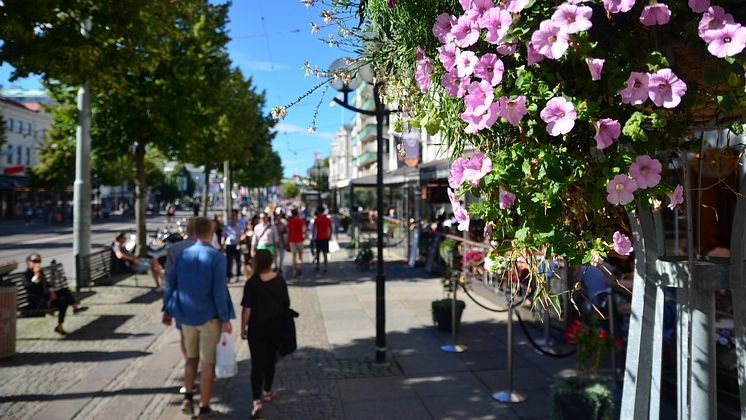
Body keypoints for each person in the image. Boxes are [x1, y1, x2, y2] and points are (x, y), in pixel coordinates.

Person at [162, 217, 235, 419]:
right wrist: (226, 318)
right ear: (211, 233)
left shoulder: (182, 255)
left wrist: (168, 309)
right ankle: (203, 407)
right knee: (208, 363)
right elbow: (219, 292)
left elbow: (170, 284)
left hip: (186, 316)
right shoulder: (216, 257)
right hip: (209, 317)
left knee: (190, 359)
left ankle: (187, 397)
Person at [241, 249, 291, 418]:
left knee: (257, 364)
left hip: (257, 328)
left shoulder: (252, 283)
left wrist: (243, 328)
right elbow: (286, 303)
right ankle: (268, 390)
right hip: (276, 327)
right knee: (270, 361)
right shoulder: (280, 280)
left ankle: (256, 400)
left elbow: (247, 309)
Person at [23, 254, 88, 335]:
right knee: (63, 302)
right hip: (38, 301)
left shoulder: (40, 272)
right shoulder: (26, 274)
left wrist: (51, 291)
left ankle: (73, 309)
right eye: (35, 261)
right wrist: (36, 277)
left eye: (39, 261)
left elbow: (48, 285)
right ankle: (72, 311)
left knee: (64, 291)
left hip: (47, 297)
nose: (37, 263)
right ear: (29, 262)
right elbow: (29, 288)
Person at [222, 209, 245, 282]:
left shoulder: (240, 225)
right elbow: (223, 236)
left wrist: (241, 238)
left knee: (238, 261)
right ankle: (228, 276)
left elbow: (243, 234)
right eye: (232, 215)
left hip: (237, 245)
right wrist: (222, 245)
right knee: (228, 261)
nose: (233, 217)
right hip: (229, 245)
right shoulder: (227, 226)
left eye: (234, 215)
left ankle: (238, 275)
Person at [286, 209, 306, 277]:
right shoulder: (301, 221)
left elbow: (288, 231)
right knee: (300, 255)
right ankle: (299, 268)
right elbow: (304, 230)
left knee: (294, 256)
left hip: (292, 239)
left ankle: (294, 270)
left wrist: (288, 240)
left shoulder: (290, 222)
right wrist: (304, 237)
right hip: (300, 239)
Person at [313, 206, 332, 273]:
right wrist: (330, 236)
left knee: (318, 252)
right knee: (325, 253)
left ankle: (317, 266)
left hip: (318, 237)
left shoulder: (316, 219)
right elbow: (330, 228)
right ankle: (325, 267)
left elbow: (314, 229)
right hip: (325, 237)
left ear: (318, 211)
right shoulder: (327, 219)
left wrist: (313, 237)